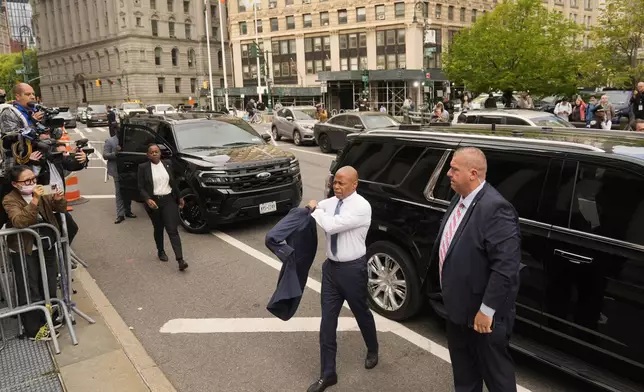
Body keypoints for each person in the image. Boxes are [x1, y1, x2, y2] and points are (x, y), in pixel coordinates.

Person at [433, 147, 521, 392]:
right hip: (457, 310)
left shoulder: (496, 209)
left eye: (454, 169)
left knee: (497, 378)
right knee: (464, 376)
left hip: (482, 318)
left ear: (473, 174)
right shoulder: (459, 198)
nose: (448, 173)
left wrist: (486, 310)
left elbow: (505, 267)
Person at [305, 166, 379, 392]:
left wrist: (314, 209)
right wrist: (315, 205)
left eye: (341, 183)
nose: (335, 186)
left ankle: (373, 348)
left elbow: (331, 225)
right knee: (327, 322)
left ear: (354, 185)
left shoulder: (361, 207)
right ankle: (328, 374)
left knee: (361, 313)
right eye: (334, 182)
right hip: (331, 270)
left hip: (353, 270)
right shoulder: (333, 201)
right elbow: (319, 205)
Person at [3, 165, 67, 340]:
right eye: (27, 181)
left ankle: (51, 317)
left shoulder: (42, 190)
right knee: (30, 287)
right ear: (16, 184)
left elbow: (60, 208)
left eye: (34, 179)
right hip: (25, 249)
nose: (32, 183)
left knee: (49, 282)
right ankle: (34, 329)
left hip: (46, 244)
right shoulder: (10, 199)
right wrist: (34, 200)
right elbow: (20, 221)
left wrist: (59, 199)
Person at [138, 144, 188, 271]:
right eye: (152, 152)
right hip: (154, 202)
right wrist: (147, 199)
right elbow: (141, 187)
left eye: (157, 151)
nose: (154, 154)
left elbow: (173, 183)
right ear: (148, 155)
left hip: (168, 200)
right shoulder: (143, 168)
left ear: (160, 153)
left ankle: (180, 260)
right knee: (158, 228)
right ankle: (160, 250)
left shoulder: (168, 164)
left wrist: (179, 197)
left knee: (172, 229)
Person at [103, 134, 136, 224]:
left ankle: (128, 211)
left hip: (128, 169)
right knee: (119, 192)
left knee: (128, 190)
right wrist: (116, 153)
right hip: (117, 171)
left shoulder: (129, 139)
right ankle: (120, 215)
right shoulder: (110, 141)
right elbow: (105, 155)